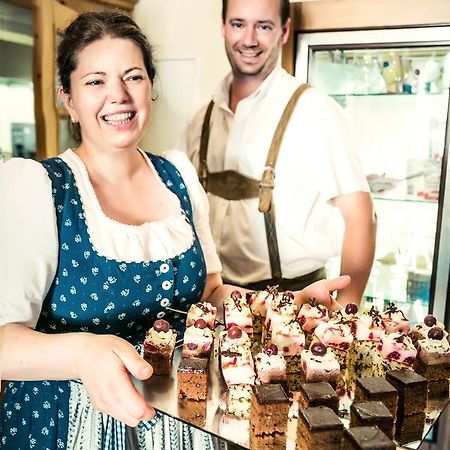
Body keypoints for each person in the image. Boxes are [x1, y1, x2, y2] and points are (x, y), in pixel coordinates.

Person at [0, 10, 351, 450]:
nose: (119, 96)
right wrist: (82, 352)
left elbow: (209, 294)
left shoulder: (178, 177)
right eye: (95, 81)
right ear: (67, 99)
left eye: (133, 77)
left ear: (150, 87)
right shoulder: (39, 189)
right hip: (68, 422)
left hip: (181, 424)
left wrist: (277, 307)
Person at [182, 0, 377, 306]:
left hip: (298, 299)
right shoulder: (200, 119)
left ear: (284, 31)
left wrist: (346, 312)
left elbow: (361, 216)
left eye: (263, 26)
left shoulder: (315, 111)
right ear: (222, 26)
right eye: (238, 24)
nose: (249, 39)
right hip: (215, 301)